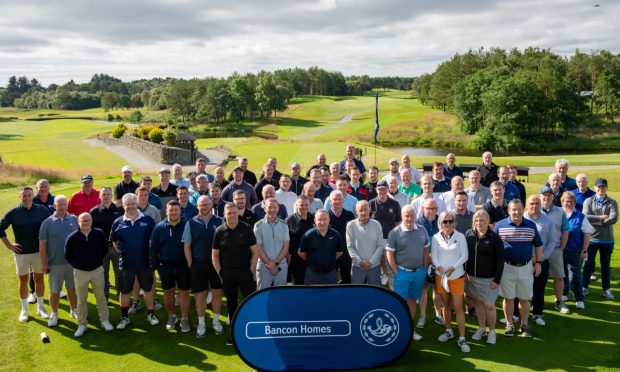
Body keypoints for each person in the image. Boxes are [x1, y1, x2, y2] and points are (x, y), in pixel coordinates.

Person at [1, 186, 51, 322]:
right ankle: (24, 310)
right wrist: (9, 245)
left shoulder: (42, 210)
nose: (27, 198)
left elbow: (51, 226)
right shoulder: (13, 213)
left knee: (39, 279)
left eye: (29, 195)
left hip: (38, 252)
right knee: (23, 281)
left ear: (32, 195)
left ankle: (41, 307)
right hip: (21, 253)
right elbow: (1, 228)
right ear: (20, 197)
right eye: (24, 195)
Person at [495, 199, 544, 338]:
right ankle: (509, 324)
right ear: (509, 211)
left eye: (519, 209)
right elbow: (494, 247)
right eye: (513, 210)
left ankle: (524, 325)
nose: (516, 212)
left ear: (523, 210)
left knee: (524, 299)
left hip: (526, 267)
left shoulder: (531, 225)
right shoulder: (499, 225)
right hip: (507, 267)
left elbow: (538, 245)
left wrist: (538, 262)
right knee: (508, 298)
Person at [212, 202, 259, 346]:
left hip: (245, 271)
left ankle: (252, 330)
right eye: (229, 213)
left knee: (250, 301)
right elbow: (214, 255)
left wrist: (251, 270)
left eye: (234, 212)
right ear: (224, 214)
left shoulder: (246, 228)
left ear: (237, 213)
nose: (232, 215)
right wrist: (221, 273)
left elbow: (255, 251)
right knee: (232, 304)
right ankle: (234, 333)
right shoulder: (219, 231)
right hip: (228, 273)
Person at [110, 193, 158, 329]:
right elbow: (114, 241)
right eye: (127, 204)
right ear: (123, 206)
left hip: (144, 262)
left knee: (148, 290)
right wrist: (122, 252)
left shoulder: (148, 220)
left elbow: (154, 240)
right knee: (125, 291)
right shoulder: (117, 222)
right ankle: (124, 318)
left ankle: (151, 314)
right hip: (126, 264)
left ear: (137, 204)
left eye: (132, 203)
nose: (130, 206)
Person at [65, 213, 114, 337]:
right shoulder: (73, 237)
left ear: (92, 221)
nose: (86, 222)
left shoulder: (99, 234)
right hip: (80, 272)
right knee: (81, 300)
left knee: (101, 297)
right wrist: (79, 264)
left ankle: (104, 321)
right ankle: (82, 324)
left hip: (97, 270)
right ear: (78, 222)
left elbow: (104, 250)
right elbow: (68, 255)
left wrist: (96, 261)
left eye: (88, 220)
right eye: (83, 220)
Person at [183, 196, 225, 338]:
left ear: (211, 204)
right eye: (202, 205)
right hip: (198, 265)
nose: (205, 207)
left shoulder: (220, 221)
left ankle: (216, 321)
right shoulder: (190, 223)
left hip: (216, 265)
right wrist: (190, 264)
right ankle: (201, 324)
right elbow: (187, 245)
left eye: (207, 204)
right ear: (197, 206)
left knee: (217, 294)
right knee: (200, 296)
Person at [385, 205, 429, 341]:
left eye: (412, 215)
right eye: (406, 216)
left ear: (416, 216)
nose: (409, 218)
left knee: (412, 301)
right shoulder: (395, 232)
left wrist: (425, 269)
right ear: (402, 217)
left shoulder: (422, 230)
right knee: (400, 303)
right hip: (402, 273)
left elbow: (426, 251)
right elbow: (389, 253)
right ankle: (398, 331)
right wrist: (395, 272)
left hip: (419, 273)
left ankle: (410, 330)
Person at [149, 200, 191, 333]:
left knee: (184, 293)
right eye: (170, 210)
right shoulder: (159, 227)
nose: (173, 212)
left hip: (183, 266)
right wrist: (158, 267)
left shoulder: (187, 225)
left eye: (176, 210)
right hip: (165, 267)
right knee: (168, 293)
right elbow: (152, 248)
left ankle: (184, 318)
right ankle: (172, 317)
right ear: (166, 211)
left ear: (180, 211)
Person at [432, 211, 470, 352]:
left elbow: (465, 256)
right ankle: (449, 331)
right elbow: (434, 256)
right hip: (441, 277)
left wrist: (453, 268)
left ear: (454, 222)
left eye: (450, 221)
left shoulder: (460, 237)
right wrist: (439, 267)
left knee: (458, 307)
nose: (447, 224)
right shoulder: (436, 237)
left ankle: (462, 338)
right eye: (444, 221)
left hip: (457, 276)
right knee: (446, 305)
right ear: (440, 223)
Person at [38, 195, 78, 326]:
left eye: (64, 204)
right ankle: (54, 313)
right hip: (55, 264)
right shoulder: (47, 223)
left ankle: (74, 310)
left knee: (72, 289)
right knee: (55, 291)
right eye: (59, 204)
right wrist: (44, 263)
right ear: (54, 206)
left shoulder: (74, 219)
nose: (62, 207)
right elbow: (42, 245)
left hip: (72, 263)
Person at [465, 210, 504, 345]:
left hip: (489, 279)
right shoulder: (469, 234)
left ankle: (492, 331)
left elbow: (500, 260)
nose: (479, 223)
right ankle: (482, 328)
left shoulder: (495, 237)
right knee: (478, 304)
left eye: (482, 220)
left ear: (487, 222)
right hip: (472, 277)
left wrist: (497, 280)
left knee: (489, 305)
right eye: (476, 220)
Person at [524, 195, 561, 325]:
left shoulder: (548, 221)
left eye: (537, 203)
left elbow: (552, 241)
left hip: (542, 260)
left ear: (541, 205)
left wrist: (541, 257)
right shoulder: (520, 218)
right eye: (532, 203)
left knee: (539, 288)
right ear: (527, 205)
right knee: (520, 288)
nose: (534, 206)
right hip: (524, 261)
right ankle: (516, 314)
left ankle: (537, 313)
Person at [582, 178, 618, 300]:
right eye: (598, 187)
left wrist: (596, 222)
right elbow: (586, 217)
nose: (600, 189)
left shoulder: (612, 202)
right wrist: (602, 217)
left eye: (603, 187)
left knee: (605, 266)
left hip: (607, 240)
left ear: (606, 188)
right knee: (588, 264)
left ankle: (606, 289)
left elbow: (613, 218)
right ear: (595, 187)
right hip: (591, 239)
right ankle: (584, 287)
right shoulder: (588, 201)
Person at [561, 191, 595, 310]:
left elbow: (587, 234)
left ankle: (579, 298)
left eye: (571, 201)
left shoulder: (580, 216)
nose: (569, 203)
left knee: (574, 276)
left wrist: (584, 251)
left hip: (574, 251)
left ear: (575, 203)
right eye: (566, 201)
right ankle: (563, 294)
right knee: (561, 275)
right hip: (559, 251)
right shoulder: (558, 214)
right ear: (562, 202)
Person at [90, 186, 124, 301]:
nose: (106, 197)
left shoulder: (120, 210)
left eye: (108, 194)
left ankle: (121, 295)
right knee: (103, 275)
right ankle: (105, 297)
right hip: (102, 249)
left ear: (111, 196)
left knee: (119, 273)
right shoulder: (94, 211)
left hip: (117, 247)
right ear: (100, 196)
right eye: (103, 194)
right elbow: (91, 232)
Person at [540, 186, 570, 314]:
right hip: (537, 250)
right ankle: (535, 302)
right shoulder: (532, 210)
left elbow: (565, 230)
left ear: (553, 197)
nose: (546, 197)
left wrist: (561, 248)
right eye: (544, 195)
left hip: (555, 249)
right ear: (540, 197)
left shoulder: (560, 211)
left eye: (549, 195)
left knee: (558, 277)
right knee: (536, 278)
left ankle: (559, 302)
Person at [416, 198, 443, 328]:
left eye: (433, 208)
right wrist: (427, 256)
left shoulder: (442, 221)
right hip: (423, 262)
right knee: (423, 290)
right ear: (423, 209)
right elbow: (414, 244)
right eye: (428, 208)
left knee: (437, 290)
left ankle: (439, 315)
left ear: (437, 209)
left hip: (438, 263)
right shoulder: (417, 223)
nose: (431, 211)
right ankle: (422, 316)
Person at [298, 209, 344, 285]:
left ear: (329, 220)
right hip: (312, 275)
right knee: (311, 296)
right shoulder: (308, 235)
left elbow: (340, 252)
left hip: (331, 274)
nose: (322, 222)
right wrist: (312, 260)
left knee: (331, 296)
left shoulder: (336, 234)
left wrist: (329, 258)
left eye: (325, 219)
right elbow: (301, 252)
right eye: (319, 219)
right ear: (315, 221)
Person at [254, 198, 290, 289]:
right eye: (270, 207)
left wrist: (274, 263)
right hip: (264, 267)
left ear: (278, 208)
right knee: (262, 296)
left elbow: (286, 246)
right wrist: (270, 264)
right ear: (265, 209)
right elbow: (258, 247)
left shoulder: (284, 225)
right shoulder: (258, 225)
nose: (272, 210)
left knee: (280, 295)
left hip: (281, 266)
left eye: (275, 207)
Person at [346, 201, 384, 285]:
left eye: (366, 209)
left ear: (369, 209)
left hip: (374, 266)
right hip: (357, 267)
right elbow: (350, 246)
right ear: (356, 211)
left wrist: (370, 262)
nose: (363, 213)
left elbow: (380, 245)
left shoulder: (377, 224)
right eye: (361, 210)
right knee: (356, 293)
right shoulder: (350, 225)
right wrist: (360, 262)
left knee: (375, 294)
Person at [326, 190, 356, 284]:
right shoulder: (326, 215)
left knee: (347, 277)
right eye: (335, 199)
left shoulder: (349, 215)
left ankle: (346, 296)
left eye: (339, 199)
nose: (337, 201)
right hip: (330, 251)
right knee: (330, 277)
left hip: (345, 251)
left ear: (343, 201)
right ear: (330, 201)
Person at [286, 196, 314, 285]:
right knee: (300, 285)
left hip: (312, 258)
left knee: (314, 285)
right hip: (296, 260)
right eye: (301, 205)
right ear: (296, 205)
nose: (304, 207)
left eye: (306, 205)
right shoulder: (289, 220)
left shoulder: (314, 219)